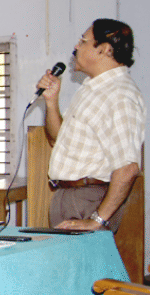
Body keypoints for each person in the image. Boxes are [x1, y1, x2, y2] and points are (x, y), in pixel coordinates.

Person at [36, 19, 144, 232]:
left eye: (83, 41)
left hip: (88, 201)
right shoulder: (93, 89)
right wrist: (51, 102)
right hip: (71, 198)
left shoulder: (119, 94)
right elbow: (55, 138)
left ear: (104, 49)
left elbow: (128, 168)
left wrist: (97, 220)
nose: (76, 46)